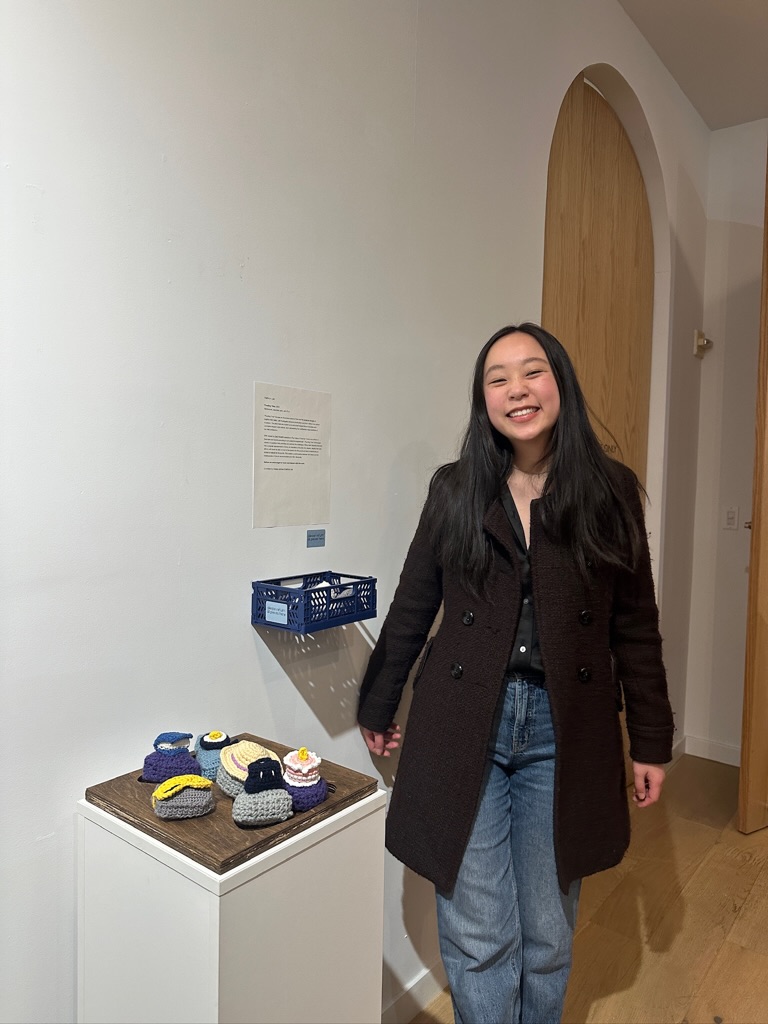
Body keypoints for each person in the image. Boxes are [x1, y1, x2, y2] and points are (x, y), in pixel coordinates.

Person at [357, 323, 674, 1024]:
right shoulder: (456, 491)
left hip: (566, 731)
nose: (516, 389)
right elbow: (415, 603)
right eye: (497, 379)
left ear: (559, 381)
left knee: (548, 931)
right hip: (464, 722)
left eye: (531, 371)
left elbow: (634, 626)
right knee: (477, 934)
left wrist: (651, 739)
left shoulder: (611, 493)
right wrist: (378, 703)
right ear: (483, 400)